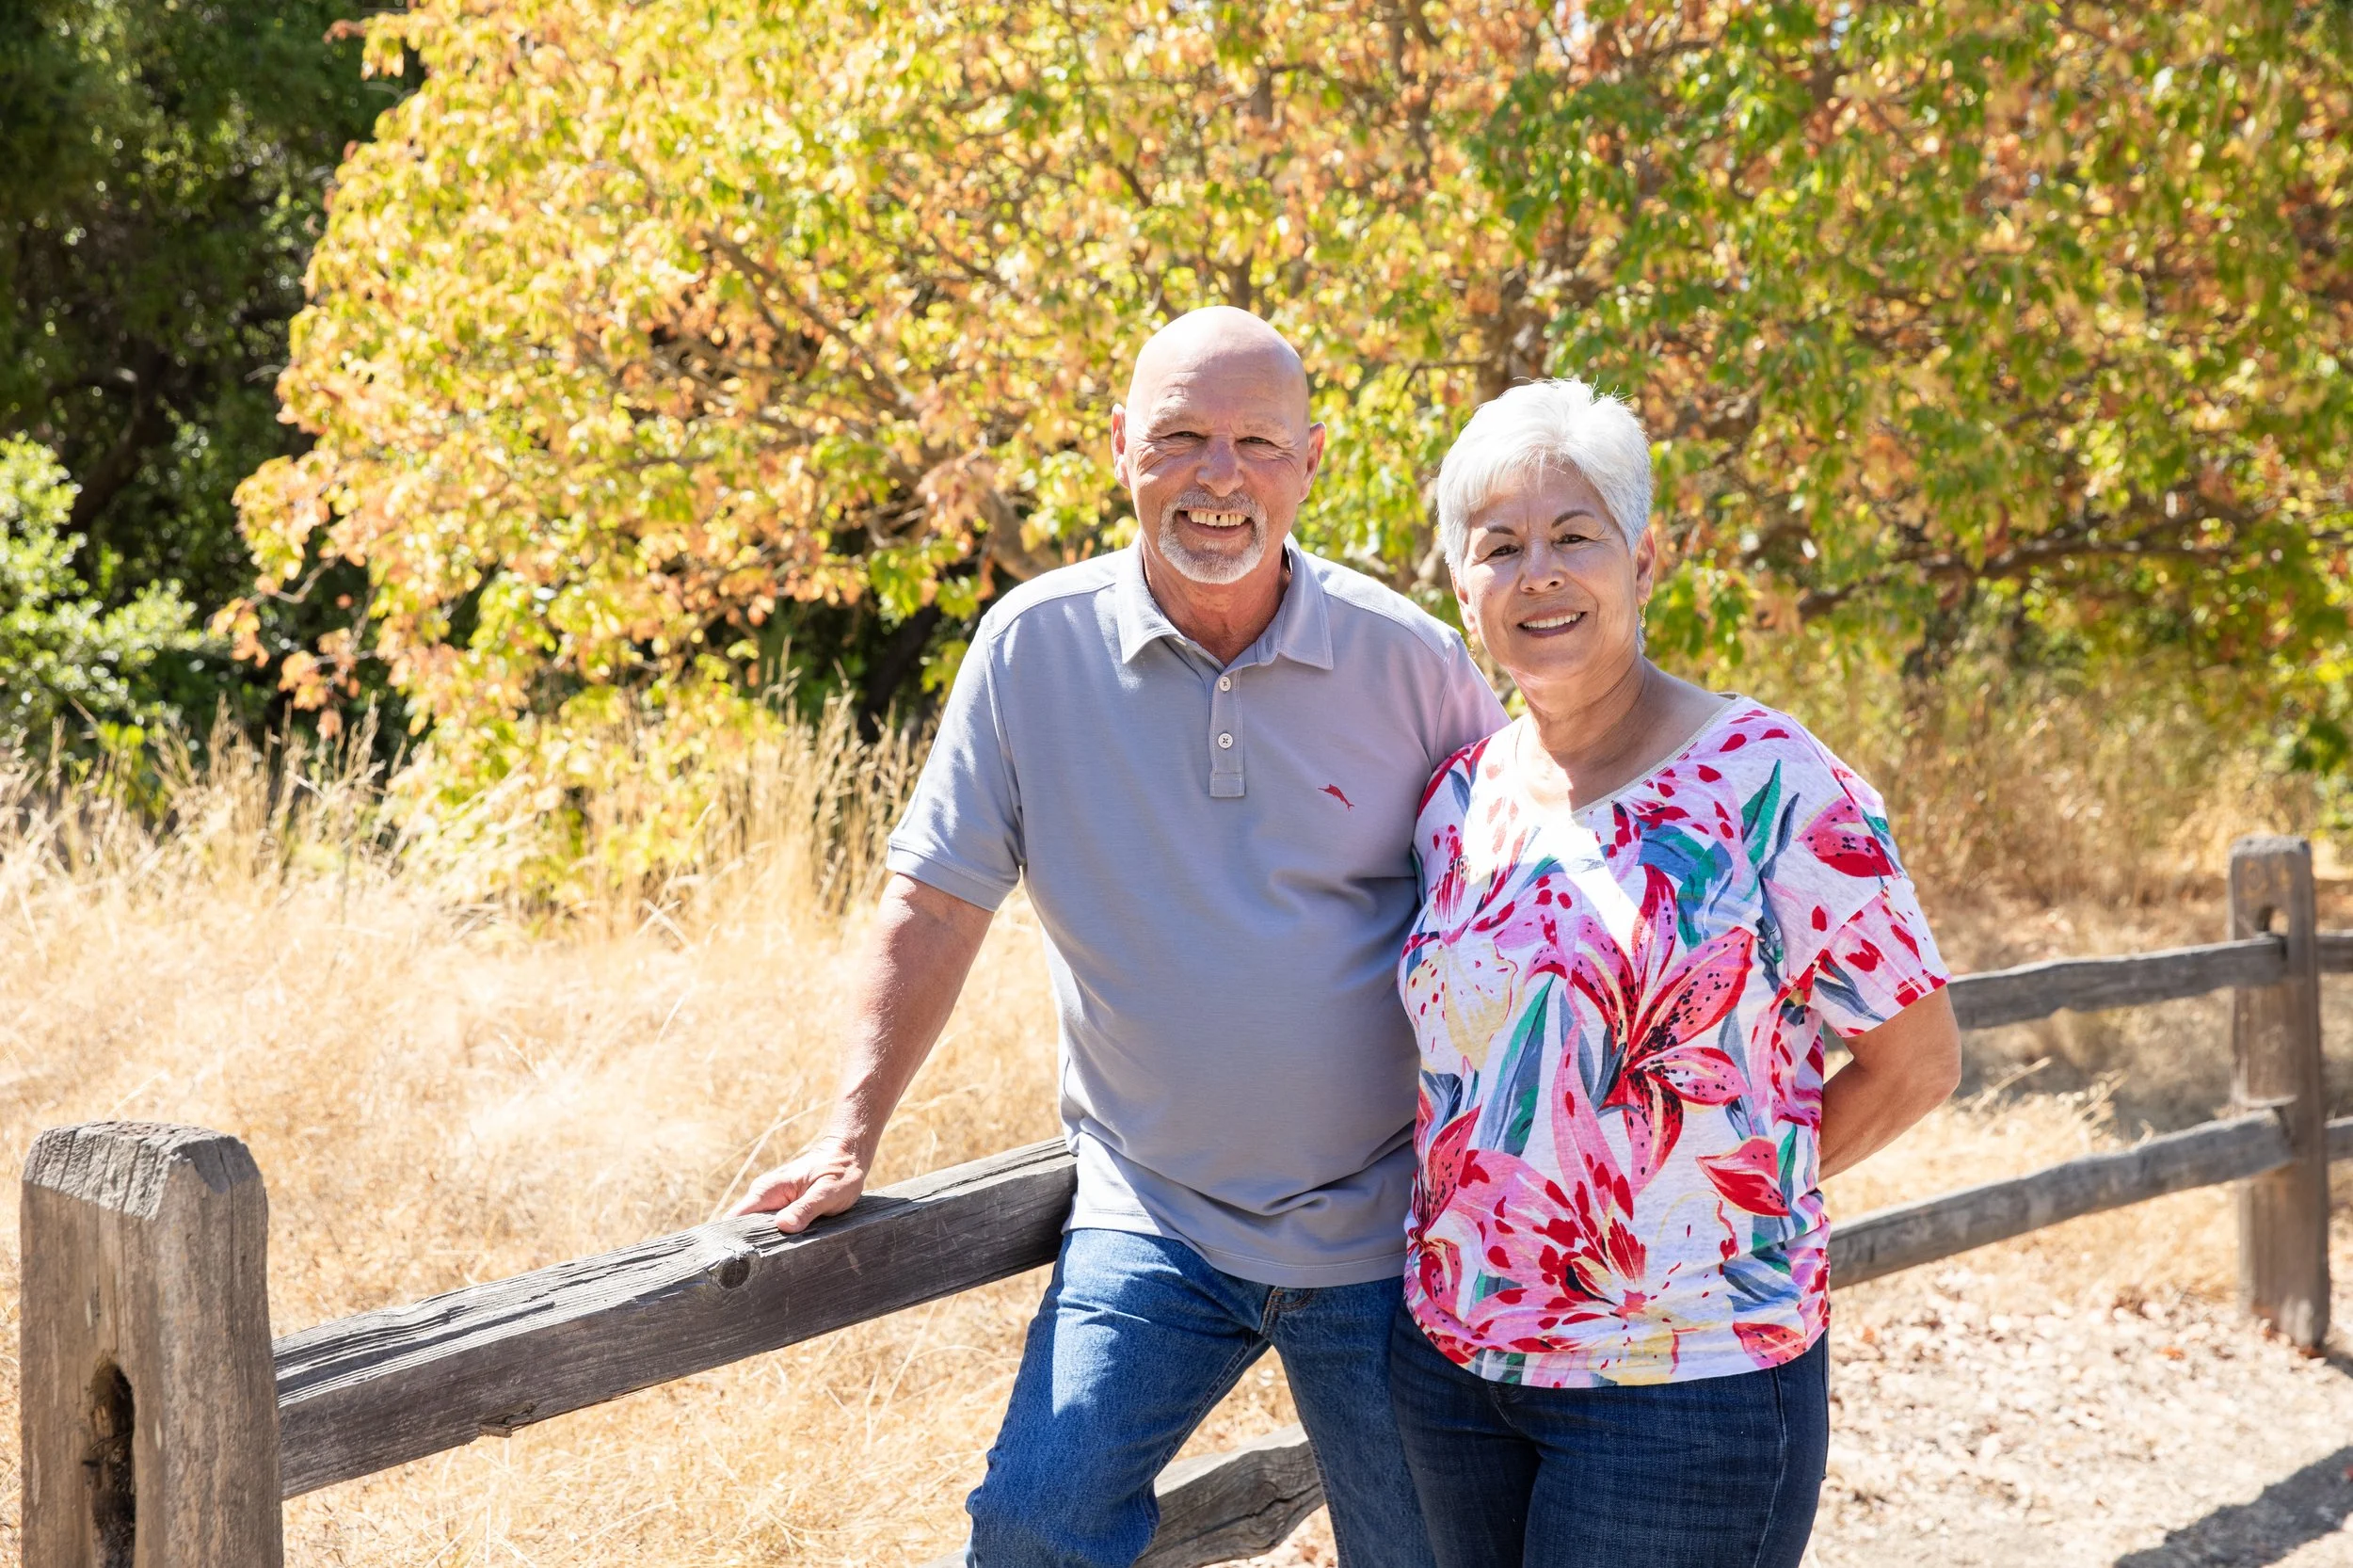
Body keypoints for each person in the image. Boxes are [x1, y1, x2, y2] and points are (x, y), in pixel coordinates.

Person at [730, 307, 1505, 1568]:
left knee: (1434, 1553)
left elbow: (1516, 920)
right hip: (1158, 1218)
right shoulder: (1033, 649)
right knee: (1034, 1523)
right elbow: (933, 903)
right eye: (1182, 437)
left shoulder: (1412, 664)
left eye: (1258, 441)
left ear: (1313, 457)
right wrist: (847, 1130)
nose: (1219, 475)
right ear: (1119, 450)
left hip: (1386, 1222)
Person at [1388, 379, 1962, 1568]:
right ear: (1461, 586)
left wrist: (1730, 1209)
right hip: (1453, 1367)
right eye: (1499, 547)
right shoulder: (1455, 803)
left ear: (1645, 560)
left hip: (1683, 1383)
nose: (1537, 572)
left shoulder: (1772, 783)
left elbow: (1915, 1063)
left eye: (1574, 536)